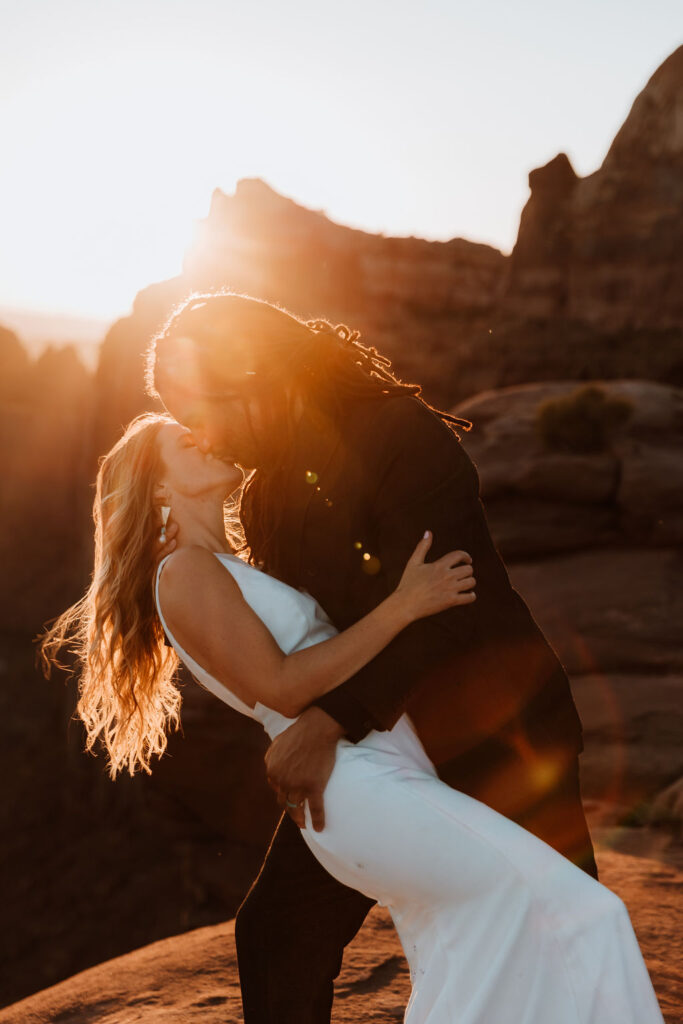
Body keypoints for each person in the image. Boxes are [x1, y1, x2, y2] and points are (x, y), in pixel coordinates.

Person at [39, 411, 664, 1024]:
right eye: (184, 439)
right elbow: (281, 689)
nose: (206, 436)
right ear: (156, 485)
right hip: (354, 786)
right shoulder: (183, 573)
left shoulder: (231, 563)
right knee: (577, 908)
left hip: (384, 767)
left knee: (470, 938)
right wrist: (404, 606)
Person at [147, 291, 604, 1021]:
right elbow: (320, 632)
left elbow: (450, 604)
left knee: (559, 934)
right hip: (381, 750)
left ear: (252, 379)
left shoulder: (397, 433)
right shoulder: (264, 492)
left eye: (203, 409)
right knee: (278, 931)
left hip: (498, 731)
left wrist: (325, 725)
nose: (203, 435)